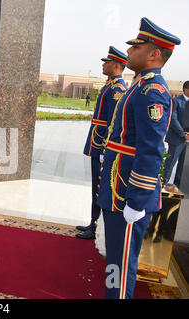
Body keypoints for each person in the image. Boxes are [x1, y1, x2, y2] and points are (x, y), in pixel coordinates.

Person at [97, 17, 180, 299]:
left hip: (127, 195)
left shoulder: (151, 92)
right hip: (118, 190)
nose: (129, 52)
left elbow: (152, 149)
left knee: (121, 265)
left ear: (154, 53)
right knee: (114, 261)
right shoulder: (139, 85)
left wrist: (137, 200)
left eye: (136, 47)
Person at [77, 46, 127, 240]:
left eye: (107, 62)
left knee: (99, 186)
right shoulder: (110, 85)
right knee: (96, 185)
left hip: (102, 145)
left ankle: (95, 225)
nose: (104, 65)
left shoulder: (117, 89)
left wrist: (106, 147)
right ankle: (92, 221)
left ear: (116, 65)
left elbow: (114, 122)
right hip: (97, 142)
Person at [163, 81, 189, 188]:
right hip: (177, 138)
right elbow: (173, 119)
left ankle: (177, 187)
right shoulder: (176, 101)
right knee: (170, 163)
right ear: (186, 89)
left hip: (187, 138)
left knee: (183, 166)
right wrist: (183, 134)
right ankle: (164, 185)